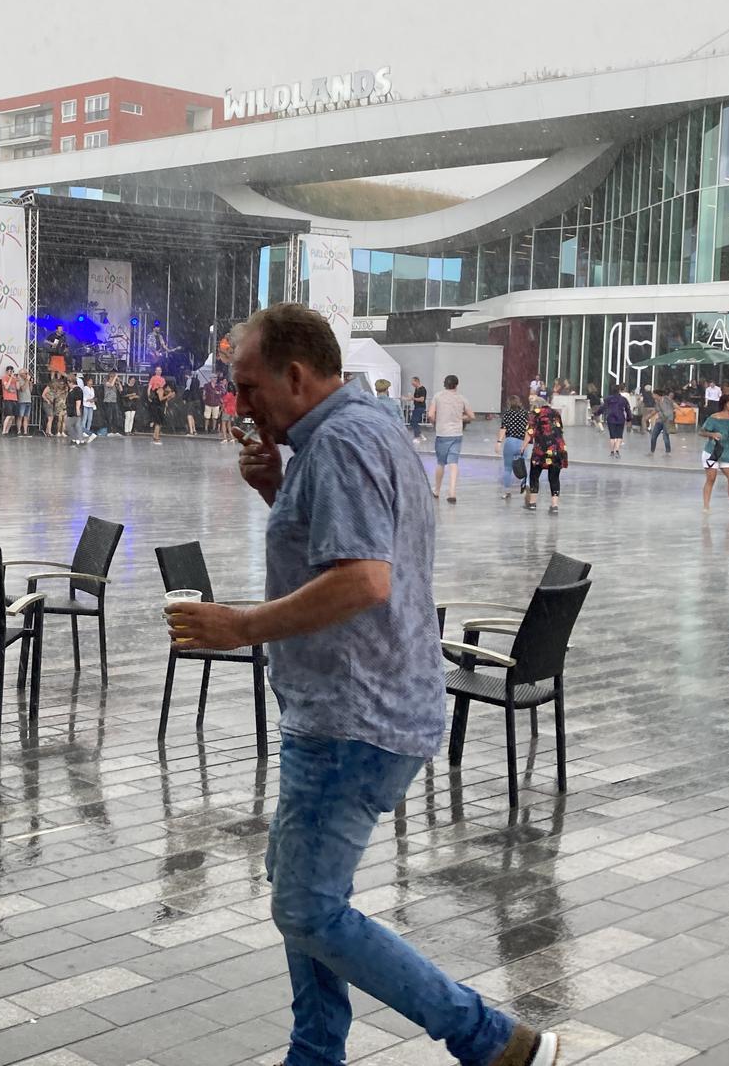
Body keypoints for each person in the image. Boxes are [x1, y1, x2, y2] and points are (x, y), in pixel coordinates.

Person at [166, 304, 559, 1066]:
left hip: (354, 714)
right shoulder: (361, 427)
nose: (238, 405)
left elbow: (362, 581)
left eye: (248, 387)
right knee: (298, 885)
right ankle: (316, 1053)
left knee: (306, 904)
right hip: (363, 701)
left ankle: (492, 1041)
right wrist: (279, 489)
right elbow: (344, 546)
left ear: (297, 375)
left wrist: (240, 625)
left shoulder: (341, 442)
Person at [427, 374, 474, 504]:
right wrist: (460, 418)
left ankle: (437, 489)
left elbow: (430, 414)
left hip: (442, 433)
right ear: (456, 385)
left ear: (444, 384)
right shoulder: (461, 398)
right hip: (457, 434)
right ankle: (452, 492)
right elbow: (471, 416)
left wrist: (435, 422)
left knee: (441, 463)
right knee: (453, 462)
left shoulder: (437, 397)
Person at [701, 393, 729, 512]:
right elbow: (702, 431)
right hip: (713, 452)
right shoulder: (714, 417)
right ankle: (706, 506)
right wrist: (712, 434)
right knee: (711, 478)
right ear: (724, 403)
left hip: (728, 451)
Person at [525, 397, 567, 513]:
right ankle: (554, 505)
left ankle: (532, 503)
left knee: (534, 475)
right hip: (557, 449)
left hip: (541, 450)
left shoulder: (535, 414)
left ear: (536, 406)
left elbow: (530, 432)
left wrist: (523, 447)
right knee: (554, 477)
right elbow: (560, 429)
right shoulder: (556, 413)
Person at [497, 395, 530, 500]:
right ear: (519, 402)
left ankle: (507, 492)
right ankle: (526, 487)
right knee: (523, 468)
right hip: (522, 443)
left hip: (510, 442)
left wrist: (499, 442)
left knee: (507, 469)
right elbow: (528, 430)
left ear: (509, 403)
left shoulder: (507, 414)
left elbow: (503, 428)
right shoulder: (525, 414)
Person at [600, 383, 631, 457]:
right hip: (621, 418)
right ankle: (617, 450)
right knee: (619, 436)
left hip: (611, 418)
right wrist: (629, 418)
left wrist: (596, 413)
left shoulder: (608, 399)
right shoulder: (624, 399)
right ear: (619, 390)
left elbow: (603, 408)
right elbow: (627, 409)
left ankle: (611, 452)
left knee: (612, 436)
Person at [71, 374, 98, 445]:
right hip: (86, 404)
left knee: (90, 419)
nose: (91, 383)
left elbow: (93, 396)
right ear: (87, 382)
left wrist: (93, 400)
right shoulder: (85, 388)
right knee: (85, 418)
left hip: (91, 405)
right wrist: (89, 400)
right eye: (90, 381)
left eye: (92, 381)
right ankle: (83, 431)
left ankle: (87, 431)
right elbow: (84, 397)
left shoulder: (92, 389)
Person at [648, 384, 675, 454]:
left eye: (653, 394)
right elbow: (656, 410)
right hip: (660, 420)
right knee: (653, 436)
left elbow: (672, 407)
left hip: (667, 421)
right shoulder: (657, 402)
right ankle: (652, 451)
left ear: (657, 395)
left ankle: (668, 452)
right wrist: (648, 417)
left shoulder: (666, 399)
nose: (652, 396)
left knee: (665, 437)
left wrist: (680, 410)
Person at [147, 368, 169, 444]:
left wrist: (166, 401)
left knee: (159, 421)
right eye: (157, 370)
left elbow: (165, 391)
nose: (159, 371)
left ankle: (156, 436)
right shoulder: (153, 378)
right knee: (158, 420)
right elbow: (149, 387)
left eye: (160, 370)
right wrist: (149, 396)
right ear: (155, 371)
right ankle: (156, 437)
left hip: (160, 401)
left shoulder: (163, 380)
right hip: (155, 400)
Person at [0, 367, 20, 436]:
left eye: (12, 371)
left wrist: (17, 380)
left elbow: (18, 388)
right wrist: (10, 378)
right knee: (8, 415)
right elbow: (6, 387)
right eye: (9, 371)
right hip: (7, 398)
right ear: (6, 371)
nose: (10, 372)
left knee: (12, 416)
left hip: (14, 398)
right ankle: (4, 430)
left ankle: (7, 431)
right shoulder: (4, 378)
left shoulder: (14, 379)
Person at [97, 371, 119, 437]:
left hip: (114, 401)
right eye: (112, 376)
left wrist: (118, 383)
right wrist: (115, 378)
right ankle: (109, 431)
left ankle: (115, 431)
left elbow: (121, 389)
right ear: (110, 376)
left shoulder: (114, 383)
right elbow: (110, 385)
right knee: (109, 417)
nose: (113, 377)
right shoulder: (105, 381)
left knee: (115, 417)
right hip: (108, 401)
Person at [15, 370, 35, 435]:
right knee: (20, 416)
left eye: (27, 373)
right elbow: (22, 389)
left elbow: (30, 390)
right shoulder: (19, 380)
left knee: (26, 417)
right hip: (22, 400)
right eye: (25, 373)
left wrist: (30, 383)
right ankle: (19, 431)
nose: (26, 374)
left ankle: (25, 431)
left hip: (28, 400)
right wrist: (27, 381)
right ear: (21, 374)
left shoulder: (27, 381)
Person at [408, 376, 427, 443]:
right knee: (412, 422)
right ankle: (420, 435)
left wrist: (413, 398)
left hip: (420, 407)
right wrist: (406, 398)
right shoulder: (416, 389)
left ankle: (417, 437)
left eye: (412, 382)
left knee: (414, 421)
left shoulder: (422, 389)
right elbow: (414, 398)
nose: (412, 383)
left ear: (417, 381)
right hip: (417, 407)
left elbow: (422, 399)